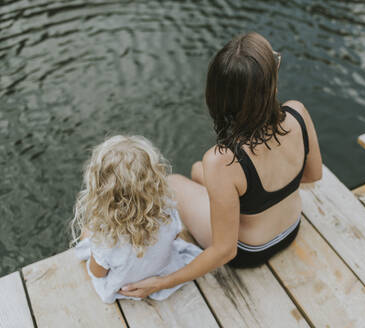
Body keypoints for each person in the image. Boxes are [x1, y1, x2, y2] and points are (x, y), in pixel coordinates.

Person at [119, 32, 322, 298]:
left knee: (174, 183)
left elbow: (225, 251)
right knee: (196, 171)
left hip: (251, 251)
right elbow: (313, 175)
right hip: (291, 227)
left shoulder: (223, 160)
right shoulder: (298, 112)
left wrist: (162, 282)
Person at [71, 135, 202, 303]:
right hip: (164, 270)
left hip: (125, 285)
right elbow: (176, 236)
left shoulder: (106, 240)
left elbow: (98, 272)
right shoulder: (168, 211)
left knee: (88, 232)